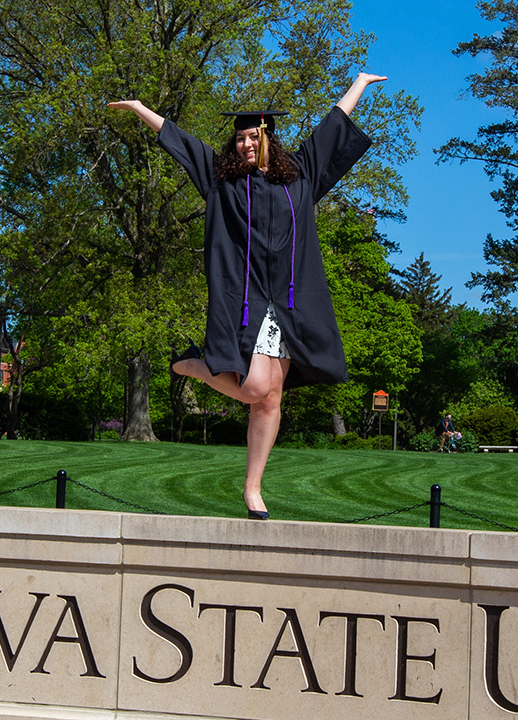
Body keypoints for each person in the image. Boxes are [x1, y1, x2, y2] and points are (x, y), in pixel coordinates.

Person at [108, 73, 386, 518]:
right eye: (239, 138)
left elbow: (332, 129)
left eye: (252, 137)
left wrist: (359, 85)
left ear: (267, 137)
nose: (244, 145)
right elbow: (183, 143)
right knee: (256, 386)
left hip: (291, 305)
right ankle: (193, 365)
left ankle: (253, 489)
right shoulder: (223, 181)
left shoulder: (299, 174)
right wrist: (141, 108)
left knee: (272, 397)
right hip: (248, 300)